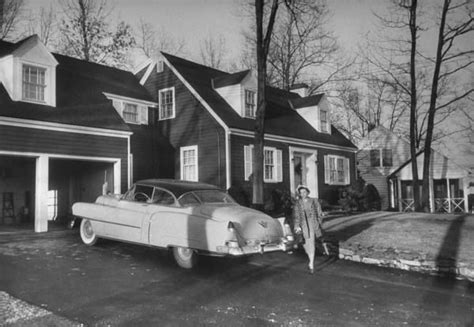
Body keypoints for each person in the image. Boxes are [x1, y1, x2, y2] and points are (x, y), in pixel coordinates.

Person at [293, 184, 325, 274]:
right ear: (299, 194)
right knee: (304, 243)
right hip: (302, 225)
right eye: (301, 192)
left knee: (311, 242)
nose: (303, 194)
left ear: (307, 192)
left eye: (304, 192)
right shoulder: (298, 203)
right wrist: (297, 226)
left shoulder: (314, 201)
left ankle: (311, 263)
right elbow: (296, 216)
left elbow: (319, 213)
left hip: (312, 224)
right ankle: (310, 257)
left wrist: (319, 223)